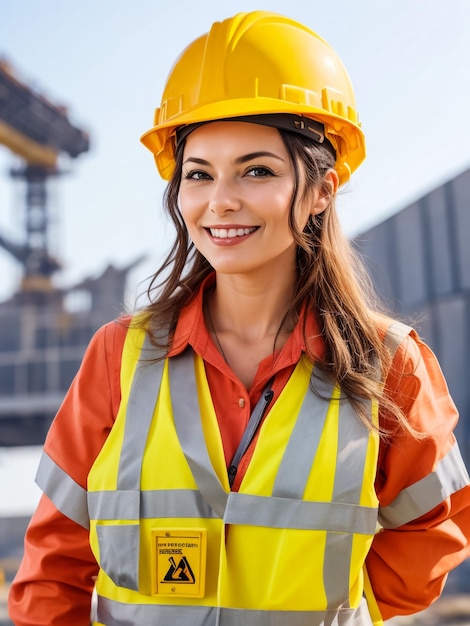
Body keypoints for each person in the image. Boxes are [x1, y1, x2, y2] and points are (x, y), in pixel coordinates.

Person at [8, 10, 470, 626]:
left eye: (257, 171)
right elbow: (53, 570)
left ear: (321, 190)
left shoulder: (388, 365)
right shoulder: (119, 356)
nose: (220, 199)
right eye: (198, 174)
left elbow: (430, 543)